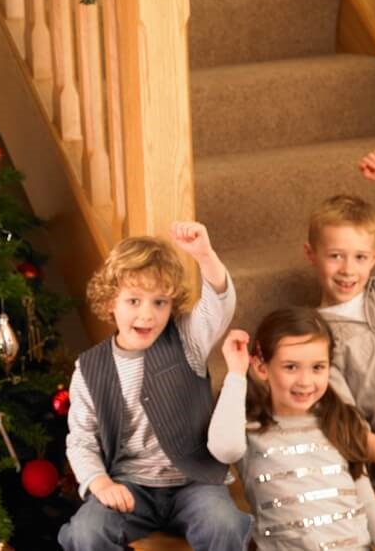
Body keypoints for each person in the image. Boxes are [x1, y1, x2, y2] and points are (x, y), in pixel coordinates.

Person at [57, 222, 252, 550]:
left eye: (159, 302)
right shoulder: (90, 367)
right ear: (110, 303)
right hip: (130, 486)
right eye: (133, 301)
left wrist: (205, 255)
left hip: (195, 483)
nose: (147, 314)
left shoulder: (187, 340)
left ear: (172, 305)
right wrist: (101, 483)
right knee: (86, 532)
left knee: (224, 524)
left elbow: (219, 306)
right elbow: (81, 440)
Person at [208, 309, 375, 550]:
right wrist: (237, 373)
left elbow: (368, 503)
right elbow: (225, 449)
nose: (305, 381)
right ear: (261, 368)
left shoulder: (340, 422)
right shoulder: (249, 430)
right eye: (291, 367)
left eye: (318, 367)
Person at [304, 184, 375, 496]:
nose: (348, 269)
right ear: (311, 254)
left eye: (360, 257)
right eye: (336, 256)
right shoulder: (317, 339)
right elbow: (352, 431)